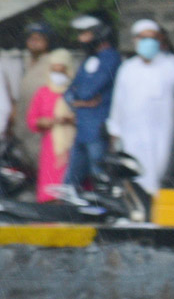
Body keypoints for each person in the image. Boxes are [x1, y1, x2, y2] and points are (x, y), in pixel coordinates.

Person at [106, 20, 174, 196]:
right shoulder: (127, 69)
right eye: (144, 38)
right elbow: (118, 104)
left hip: (167, 134)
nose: (149, 42)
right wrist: (115, 133)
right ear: (135, 40)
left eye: (153, 38)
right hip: (134, 136)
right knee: (138, 177)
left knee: (164, 174)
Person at [62, 14, 121, 192]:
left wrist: (80, 98)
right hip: (82, 129)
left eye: (85, 34)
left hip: (98, 129)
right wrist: (80, 101)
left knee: (100, 180)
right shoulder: (89, 59)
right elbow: (68, 94)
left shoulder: (111, 58)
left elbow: (87, 91)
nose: (81, 39)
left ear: (99, 33)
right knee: (70, 183)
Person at [24, 49, 77, 202]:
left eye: (62, 70)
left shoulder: (76, 92)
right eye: (54, 70)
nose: (58, 74)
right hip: (50, 149)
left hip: (72, 147)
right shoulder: (43, 93)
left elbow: (85, 117)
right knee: (49, 191)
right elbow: (32, 120)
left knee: (69, 192)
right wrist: (46, 121)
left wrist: (69, 120)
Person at [15, 22, 54, 166]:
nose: (34, 41)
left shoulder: (53, 63)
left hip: (42, 131)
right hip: (24, 131)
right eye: (31, 38)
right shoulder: (25, 62)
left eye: (39, 38)